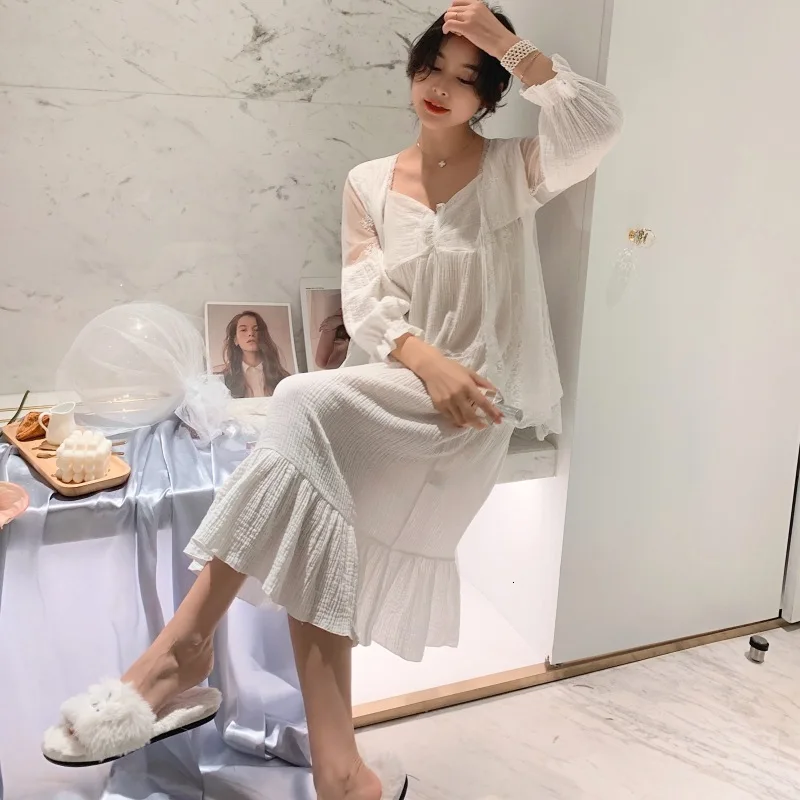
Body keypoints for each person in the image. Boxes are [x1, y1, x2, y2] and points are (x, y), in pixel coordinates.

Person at [42, 3, 622, 798]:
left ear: (489, 97)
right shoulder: (368, 182)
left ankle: (180, 654)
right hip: (402, 389)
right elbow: (368, 304)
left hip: (474, 408)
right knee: (314, 508)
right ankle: (340, 773)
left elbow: (597, 127)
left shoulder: (513, 170)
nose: (440, 88)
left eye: (466, 78)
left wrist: (507, 43)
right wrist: (427, 361)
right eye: (431, 67)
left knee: (303, 402)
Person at [217, 310, 291, 398]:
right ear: (235, 339)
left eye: (256, 330)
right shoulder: (225, 379)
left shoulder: (282, 378)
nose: (251, 333)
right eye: (243, 330)